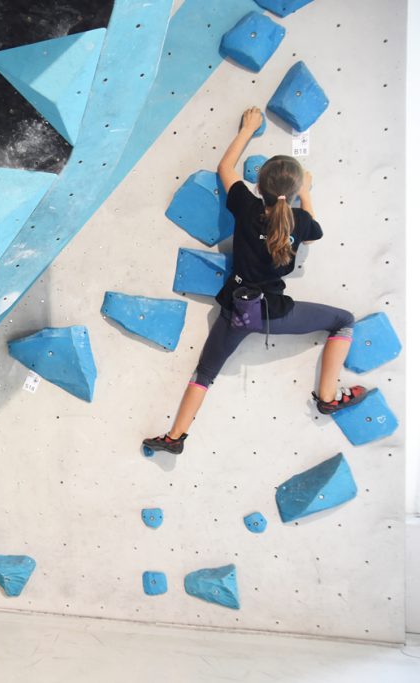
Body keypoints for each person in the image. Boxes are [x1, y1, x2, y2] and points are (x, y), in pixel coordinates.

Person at [142, 107, 367, 456]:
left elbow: (225, 169)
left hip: (236, 310)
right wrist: (306, 191)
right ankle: (327, 398)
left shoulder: (247, 207)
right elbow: (311, 235)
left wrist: (248, 129)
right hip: (273, 315)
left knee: (204, 374)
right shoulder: (300, 221)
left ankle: (175, 437)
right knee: (344, 321)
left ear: (258, 185)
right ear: (291, 195)